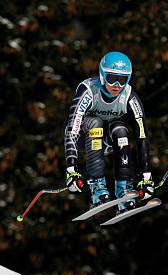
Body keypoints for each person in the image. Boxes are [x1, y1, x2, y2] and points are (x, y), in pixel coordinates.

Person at [63, 51, 155, 213]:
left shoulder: (129, 96)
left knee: (120, 129)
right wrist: (71, 168)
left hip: (106, 142)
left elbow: (141, 135)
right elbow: (73, 126)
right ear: (102, 75)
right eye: (112, 78)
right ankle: (97, 188)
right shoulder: (89, 90)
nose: (117, 85)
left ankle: (124, 190)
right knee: (96, 122)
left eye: (123, 80)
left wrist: (146, 176)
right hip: (84, 139)